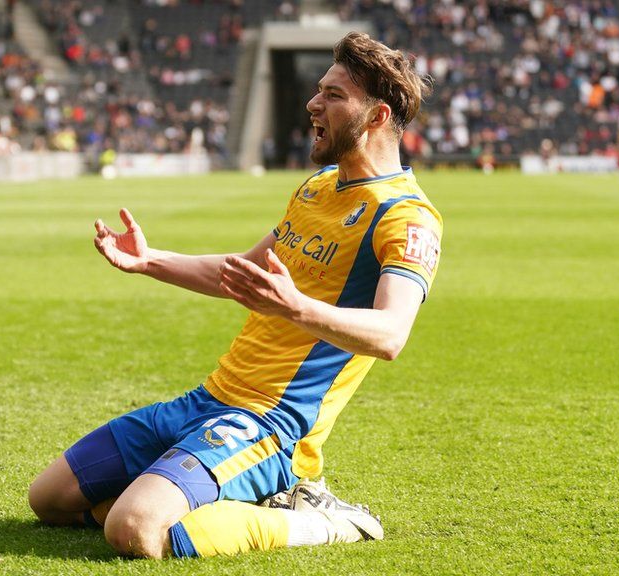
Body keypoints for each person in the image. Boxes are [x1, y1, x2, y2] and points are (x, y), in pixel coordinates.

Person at [28, 32, 442, 559]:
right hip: (209, 400)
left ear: (378, 116)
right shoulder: (316, 186)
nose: (314, 103)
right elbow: (241, 272)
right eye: (319, 90)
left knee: (133, 529)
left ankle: (319, 520)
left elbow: (391, 334)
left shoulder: (406, 216)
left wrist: (293, 305)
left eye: (335, 95)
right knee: (49, 500)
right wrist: (149, 260)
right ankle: (180, 499)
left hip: (272, 425)